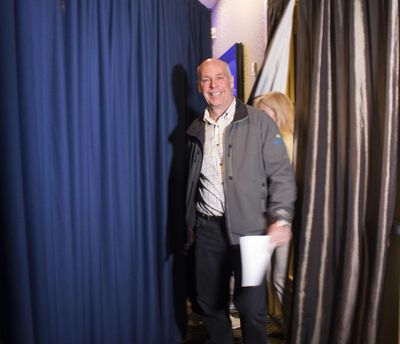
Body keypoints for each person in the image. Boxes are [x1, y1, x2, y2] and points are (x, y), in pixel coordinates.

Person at [185, 58, 296, 344]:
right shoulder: (195, 129)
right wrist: (190, 224)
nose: (213, 86)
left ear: (230, 81)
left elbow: (281, 174)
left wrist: (281, 217)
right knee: (209, 303)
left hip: (252, 228)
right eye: (206, 80)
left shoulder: (259, 122)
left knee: (251, 307)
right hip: (208, 229)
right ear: (199, 87)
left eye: (219, 78)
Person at [253, 92, 295, 334]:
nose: (262, 116)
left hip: (279, 219)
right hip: (264, 217)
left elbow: (280, 181)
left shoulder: (284, 139)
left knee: (278, 277)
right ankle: (283, 323)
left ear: (278, 112)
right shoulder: (270, 138)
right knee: (268, 276)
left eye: (266, 111)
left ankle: (293, 326)